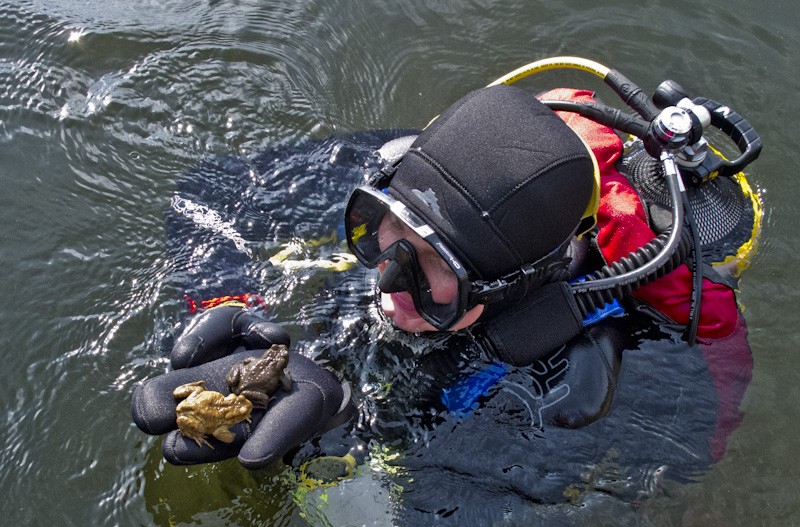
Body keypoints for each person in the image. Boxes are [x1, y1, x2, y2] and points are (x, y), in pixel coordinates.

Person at [132, 82, 753, 471]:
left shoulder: (589, 376)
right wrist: (227, 300)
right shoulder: (417, 169)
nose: (388, 282)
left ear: (509, 286)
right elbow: (210, 192)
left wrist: (342, 435)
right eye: (384, 229)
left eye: (435, 265)